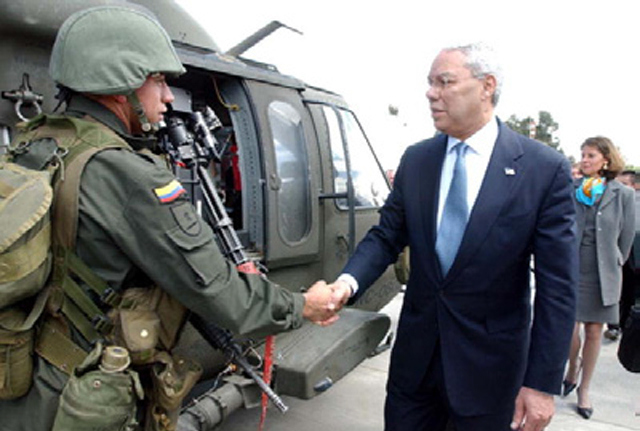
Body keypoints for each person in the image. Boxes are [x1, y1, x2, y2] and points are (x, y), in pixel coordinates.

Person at [0, 6, 338, 431]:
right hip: (77, 399)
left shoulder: (38, 141)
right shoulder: (126, 173)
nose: (166, 97)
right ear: (118, 81)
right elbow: (224, 295)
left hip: (22, 373)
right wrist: (304, 305)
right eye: (158, 79)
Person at [328, 42, 578, 431]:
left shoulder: (542, 170)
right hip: (415, 368)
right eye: (430, 83)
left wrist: (542, 384)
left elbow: (557, 287)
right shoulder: (418, 160)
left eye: (445, 82)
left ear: (486, 86)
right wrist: (346, 283)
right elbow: (385, 236)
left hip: (490, 376)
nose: (431, 93)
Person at [562, 138, 635, 419]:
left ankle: (584, 389)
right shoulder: (572, 190)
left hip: (604, 271)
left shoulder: (623, 194)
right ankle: (571, 367)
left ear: (606, 159)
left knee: (594, 331)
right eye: (582, 155)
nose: (584, 160)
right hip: (573, 267)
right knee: (570, 329)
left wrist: (617, 259)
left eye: (590, 155)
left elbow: (626, 236)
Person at [603, 170, 637, 341]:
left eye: (624, 184)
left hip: (633, 254)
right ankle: (614, 325)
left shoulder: (631, 200)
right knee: (618, 292)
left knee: (630, 293)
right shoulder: (610, 201)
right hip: (618, 254)